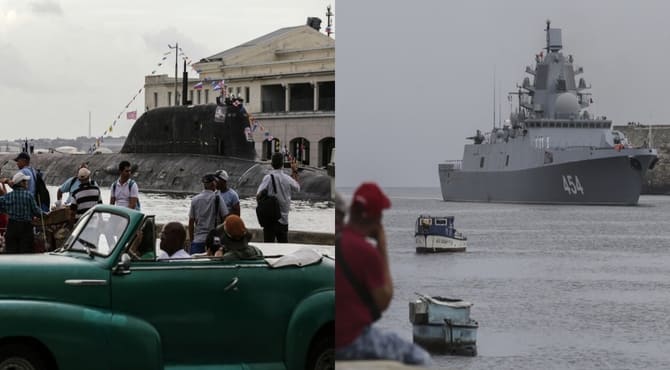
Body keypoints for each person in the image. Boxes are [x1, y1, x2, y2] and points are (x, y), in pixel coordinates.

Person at [335, 182, 432, 366]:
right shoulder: (365, 251)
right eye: (380, 214)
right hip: (353, 340)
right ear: (375, 217)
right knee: (421, 358)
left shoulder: (339, 240)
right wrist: (382, 246)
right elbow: (384, 300)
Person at [256, 152, 300, 243]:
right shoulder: (287, 179)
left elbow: (258, 195)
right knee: (283, 248)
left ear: (272, 164)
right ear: (282, 164)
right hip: (284, 220)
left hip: (270, 220)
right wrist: (294, 171)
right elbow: (297, 188)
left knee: (268, 248)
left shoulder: (268, 178)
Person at [0, 172, 48, 254]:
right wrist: (44, 214)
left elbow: (1, 207)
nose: (27, 183)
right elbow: (36, 211)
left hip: (12, 227)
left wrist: (6, 210)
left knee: (12, 253)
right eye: (25, 181)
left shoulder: (8, 196)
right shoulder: (29, 195)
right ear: (21, 183)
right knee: (25, 253)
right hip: (26, 228)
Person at [188, 174, 228, 254]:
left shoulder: (195, 200)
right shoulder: (217, 198)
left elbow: (191, 223)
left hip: (198, 240)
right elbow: (226, 218)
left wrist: (192, 241)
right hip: (214, 241)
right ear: (213, 184)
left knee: (195, 263)